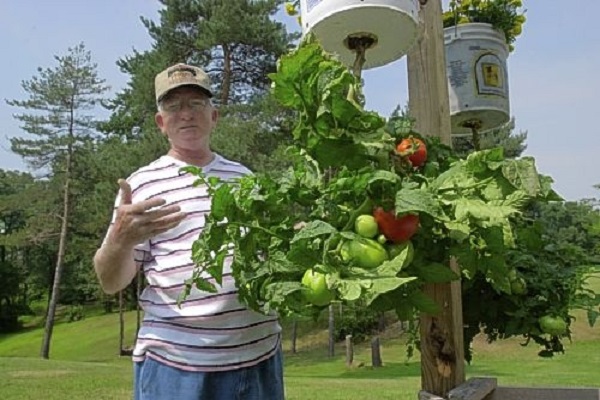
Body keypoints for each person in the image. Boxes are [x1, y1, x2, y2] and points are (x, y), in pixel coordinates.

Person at [93, 63, 284, 400]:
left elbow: (271, 255)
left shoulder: (247, 179)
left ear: (214, 116)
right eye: (173, 105)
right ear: (160, 123)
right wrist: (119, 242)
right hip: (177, 367)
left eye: (196, 103)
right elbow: (110, 282)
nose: (186, 114)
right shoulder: (141, 186)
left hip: (258, 359)